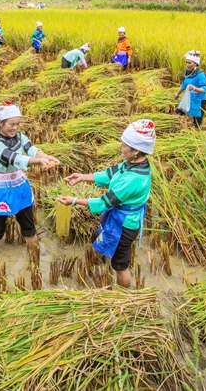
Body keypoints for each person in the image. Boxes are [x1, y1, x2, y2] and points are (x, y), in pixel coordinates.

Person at [58, 119, 155, 288]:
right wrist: (82, 176)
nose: (121, 147)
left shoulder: (134, 179)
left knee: (119, 264)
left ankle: (124, 296)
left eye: (125, 145)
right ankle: (102, 258)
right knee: (101, 237)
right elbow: (109, 174)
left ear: (136, 151)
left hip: (125, 224)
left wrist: (73, 201)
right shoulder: (131, 164)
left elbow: (104, 203)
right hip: (117, 215)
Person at [0, 102, 60, 253]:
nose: (15, 128)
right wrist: (38, 161)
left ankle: (34, 260)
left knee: (29, 227)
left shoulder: (20, 137)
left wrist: (45, 156)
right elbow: (14, 158)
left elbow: (31, 150)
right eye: (11, 124)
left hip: (20, 185)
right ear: (0, 124)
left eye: (17, 124)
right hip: (1, 189)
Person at [174, 50, 206, 128]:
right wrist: (177, 94)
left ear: (195, 64)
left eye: (189, 63)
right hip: (189, 98)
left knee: (197, 122)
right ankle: (181, 126)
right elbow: (183, 85)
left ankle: (197, 134)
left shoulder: (200, 75)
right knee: (178, 112)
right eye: (186, 62)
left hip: (199, 101)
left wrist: (194, 88)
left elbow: (204, 89)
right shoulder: (188, 72)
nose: (187, 65)